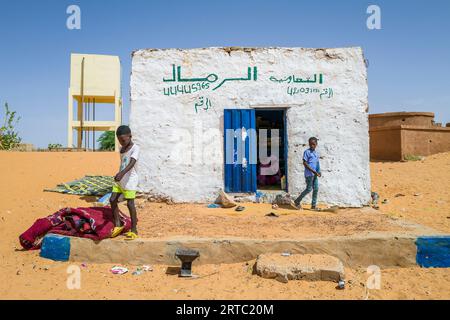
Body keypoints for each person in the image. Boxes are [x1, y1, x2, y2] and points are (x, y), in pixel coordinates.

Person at [110, 125, 140, 240]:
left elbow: (132, 162)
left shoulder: (135, 148)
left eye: (123, 140)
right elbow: (123, 162)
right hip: (120, 179)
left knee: (130, 204)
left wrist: (122, 173)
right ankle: (118, 225)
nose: (121, 142)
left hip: (130, 180)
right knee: (112, 200)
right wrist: (119, 174)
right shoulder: (122, 149)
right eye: (119, 140)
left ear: (130, 136)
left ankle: (134, 230)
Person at [292, 137, 321, 210]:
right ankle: (297, 201)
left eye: (313, 144)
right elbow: (304, 163)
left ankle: (313, 206)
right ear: (309, 144)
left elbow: (317, 163)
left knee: (316, 189)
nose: (312, 146)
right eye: (310, 144)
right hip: (309, 175)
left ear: (316, 144)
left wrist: (319, 171)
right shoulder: (307, 152)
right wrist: (313, 171)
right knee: (308, 189)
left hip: (314, 175)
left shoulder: (316, 153)